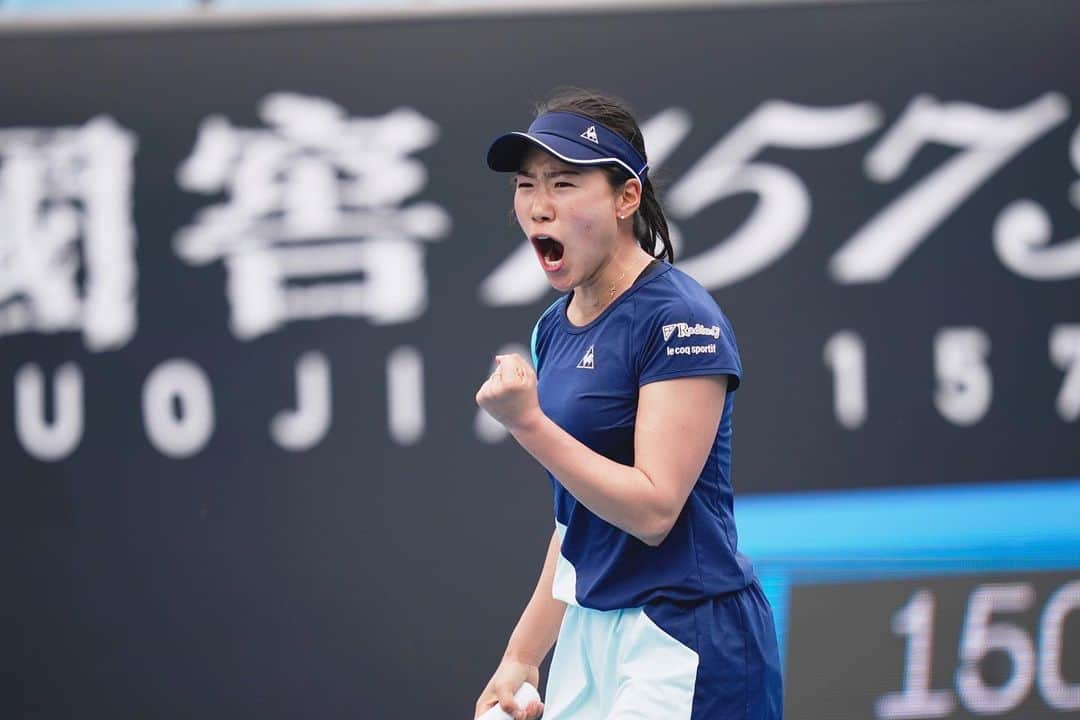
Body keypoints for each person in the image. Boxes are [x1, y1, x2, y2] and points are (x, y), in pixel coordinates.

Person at [473, 88, 783, 720]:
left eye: (563, 184)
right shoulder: (553, 328)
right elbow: (578, 525)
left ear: (626, 198)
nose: (538, 206)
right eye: (527, 185)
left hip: (686, 634)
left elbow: (652, 510)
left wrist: (528, 424)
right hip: (593, 634)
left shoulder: (680, 320)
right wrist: (521, 656)